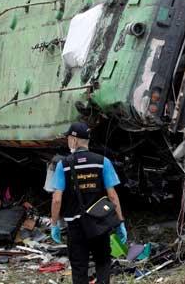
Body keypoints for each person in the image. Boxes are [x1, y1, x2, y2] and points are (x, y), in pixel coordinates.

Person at [50, 122, 127, 284]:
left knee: (79, 266)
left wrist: (55, 223)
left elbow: (57, 199)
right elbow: (112, 196)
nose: (68, 141)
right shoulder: (102, 162)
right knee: (103, 262)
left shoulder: (62, 165)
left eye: (69, 138)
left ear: (75, 141)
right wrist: (120, 221)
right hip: (99, 223)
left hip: (75, 225)